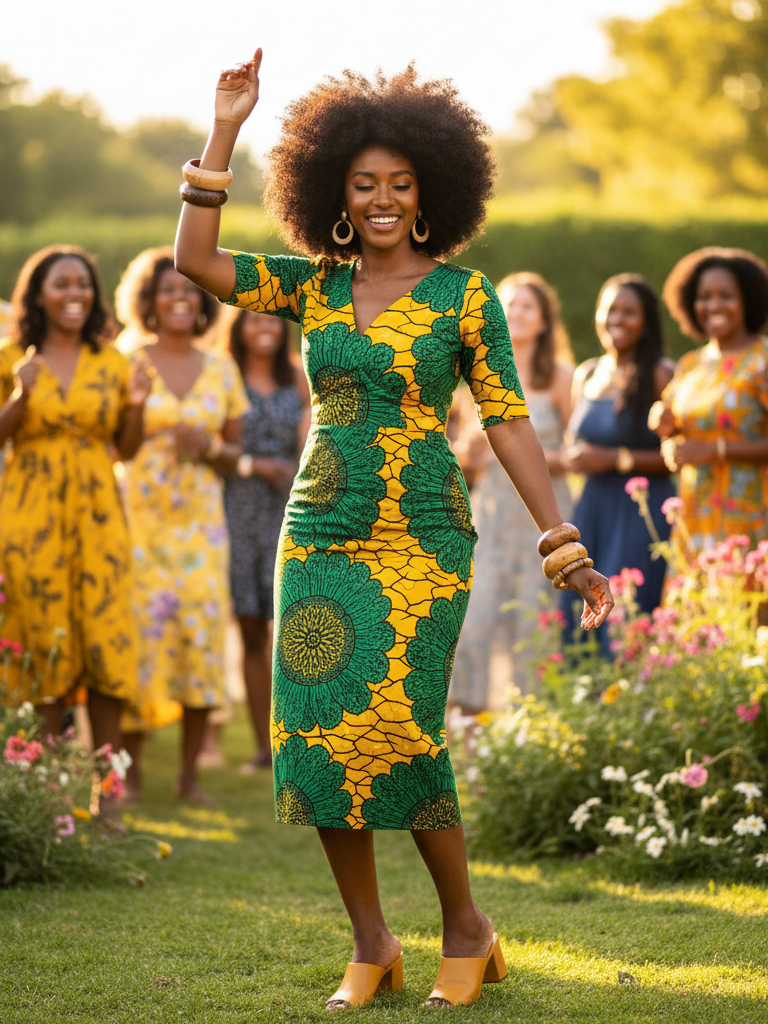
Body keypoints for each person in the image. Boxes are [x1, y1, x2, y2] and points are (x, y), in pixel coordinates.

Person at [174, 51, 613, 1010]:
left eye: (400, 185)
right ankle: (372, 943)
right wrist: (225, 128)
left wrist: (557, 537)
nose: (381, 199)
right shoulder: (312, 286)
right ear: (336, 190)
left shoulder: (465, 296)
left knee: (402, 728)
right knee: (324, 730)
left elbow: (504, 417)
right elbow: (196, 264)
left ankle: (467, 927)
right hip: (319, 526)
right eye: (364, 183)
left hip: (420, 530)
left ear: (429, 194)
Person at [0, 246, 151, 770]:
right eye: (62, 284)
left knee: (105, 641)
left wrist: (138, 405)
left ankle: (105, 792)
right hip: (29, 517)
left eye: (83, 284)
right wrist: (20, 394)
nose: (75, 294)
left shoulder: (111, 361)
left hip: (98, 517)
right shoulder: (12, 357)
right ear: (38, 294)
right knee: (41, 644)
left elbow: (126, 449)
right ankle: (46, 799)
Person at [114, 247, 248, 802]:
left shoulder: (221, 367)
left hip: (201, 530)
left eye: (189, 291)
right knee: (140, 646)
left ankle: (189, 777)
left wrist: (210, 444)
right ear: (148, 301)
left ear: (202, 302)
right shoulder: (125, 359)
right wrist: (140, 417)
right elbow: (114, 446)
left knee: (200, 643)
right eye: (167, 290)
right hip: (138, 526)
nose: (179, 299)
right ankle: (133, 771)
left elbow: (234, 452)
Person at [450, 273, 574, 708]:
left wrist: (525, 456)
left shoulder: (560, 377)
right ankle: (466, 723)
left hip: (538, 521)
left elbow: (578, 455)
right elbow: (466, 458)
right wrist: (467, 455)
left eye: (527, 306)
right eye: (509, 304)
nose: (516, 312)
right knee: (474, 623)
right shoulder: (476, 374)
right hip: (489, 518)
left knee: (533, 628)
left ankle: (534, 726)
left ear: (543, 321)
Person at [219, 308, 309, 772]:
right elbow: (213, 447)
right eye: (253, 321)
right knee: (252, 628)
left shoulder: (298, 376)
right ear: (237, 330)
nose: (265, 328)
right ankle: (262, 746)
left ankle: (295, 738)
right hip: (240, 508)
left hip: (293, 506)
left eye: (272, 321)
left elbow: (315, 433)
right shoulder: (225, 375)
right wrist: (253, 464)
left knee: (293, 630)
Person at [651, 247, 768, 550]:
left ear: (748, 300)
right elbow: (673, 427)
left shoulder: (762, 360)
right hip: (695, 518)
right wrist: (663, 423)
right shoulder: (690, 365)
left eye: (726, 295)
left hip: (751, 516)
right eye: (704, 297)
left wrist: (714, 450)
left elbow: (704, 447)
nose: (713, 305)